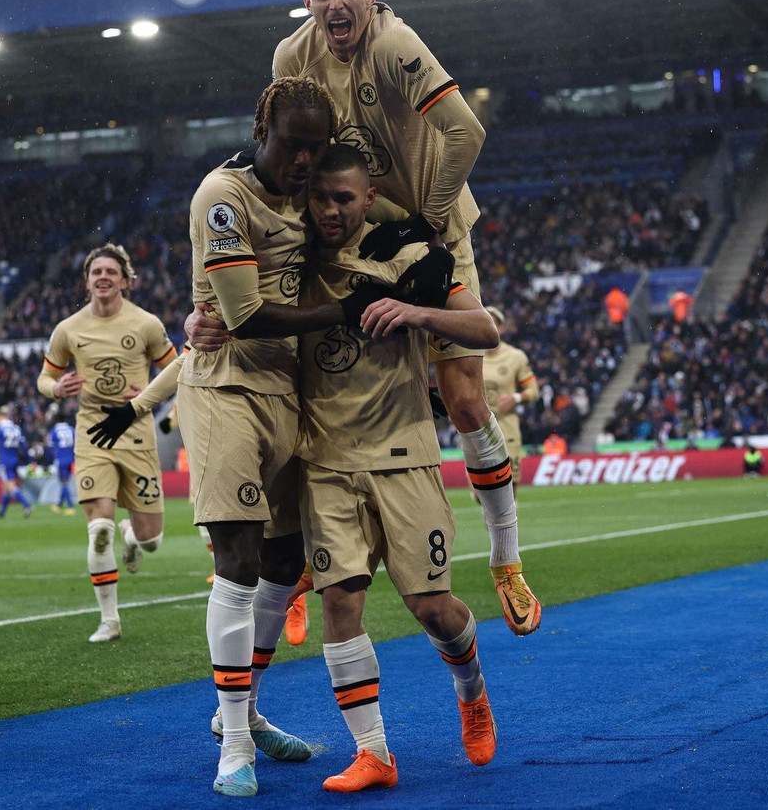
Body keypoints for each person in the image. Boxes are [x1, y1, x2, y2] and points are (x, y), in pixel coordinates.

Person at [170, 76, 436, 798]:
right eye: (293, 144)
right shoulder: (222, 197)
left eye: (315, 149)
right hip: (226, 386)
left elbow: (378, 213)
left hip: (291, 393)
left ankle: (246, 712)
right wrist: (353, 308)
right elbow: (248, 316)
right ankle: (230, 739)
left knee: (284, 559)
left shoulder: (311, 197)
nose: (304, 161)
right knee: (237, 555)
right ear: (264, 127)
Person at [271, 0, 540, 636]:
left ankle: (507, 560)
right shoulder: (290, 58)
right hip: (345, 229)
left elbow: (466, 132)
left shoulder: (395, 44)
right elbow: (285, 153)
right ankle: (293, 556)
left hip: (432, 228)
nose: (336, 3)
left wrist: (428, 222)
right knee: (300, 372)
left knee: (465, 401)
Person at [297, 144, 500, 790]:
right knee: (340, 602)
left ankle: (471, 691)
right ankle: (374, 753)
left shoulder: (409, 256)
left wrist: (415, 312)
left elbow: (486, 328)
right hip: (327, 462)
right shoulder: (292, 258)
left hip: (405, 455)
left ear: (368, 196)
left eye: (345, 198)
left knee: (432, 606)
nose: (331, 209)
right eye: (322, 197)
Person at [36, 243, 177, 643]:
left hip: (135, 432)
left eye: (111, 272)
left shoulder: (146, 324)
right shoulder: (68, 329)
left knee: (151, 541)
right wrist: (56, 388)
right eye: (96, 272)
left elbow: (177, 370)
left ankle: (132, 537)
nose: (103, 277)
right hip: (92, 432)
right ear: (86, 281)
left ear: (125, 280)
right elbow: (45, 378)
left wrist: (148, 393)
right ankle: (109, 620)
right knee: (98, 528)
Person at [481, 307, 539, 489]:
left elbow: (534, 390)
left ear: (501, 328)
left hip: (507, 428)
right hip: (479, 429)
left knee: (509, 486)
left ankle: (503, 517)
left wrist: (516, 398)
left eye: (493, 323)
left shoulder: (515, 357)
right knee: (480, 491)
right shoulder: (469, 356)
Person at [0, 406, 33, 518]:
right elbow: (23, 447)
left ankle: (26, 504)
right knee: (6, 487)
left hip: (4, 460)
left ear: (0, 416)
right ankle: (2, 512)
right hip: (14, 459)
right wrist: (28, 460)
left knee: (10, 486)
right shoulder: (16, 428)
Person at [47, 410, 77, 515]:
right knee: (65, 482)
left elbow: (50, 447)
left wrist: (50, 459)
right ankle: (59, 505)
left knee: (63, 483)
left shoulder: (54, 431)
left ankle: (70, 506)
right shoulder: (72, 430)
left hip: (61, 459)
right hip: (71, 458)